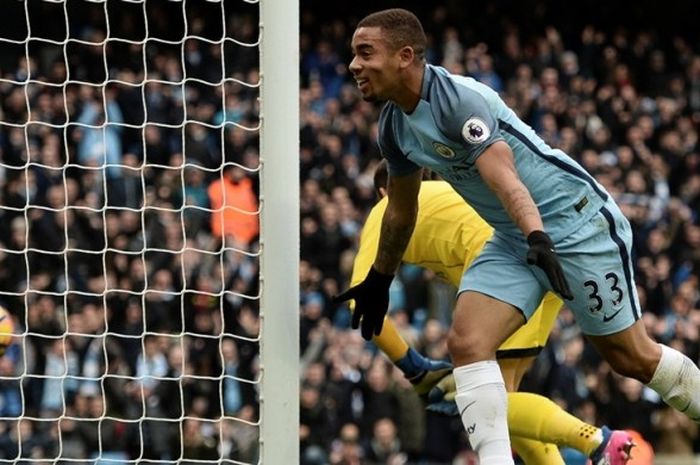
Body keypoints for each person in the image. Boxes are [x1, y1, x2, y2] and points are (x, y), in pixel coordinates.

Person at [335, 8, 700, 465]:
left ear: (405, 56)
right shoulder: (393, 127)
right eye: (353, 55)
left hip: (575, 224)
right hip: (512, 239)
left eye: (365, 53)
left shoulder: (457, 103)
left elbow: (506, 177)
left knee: (631, 358)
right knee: (467, 343)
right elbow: (400, 211)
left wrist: (538, 237)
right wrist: (379, 279)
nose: (353, 66)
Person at [345, 160, 628, 465]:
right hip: (546, 256)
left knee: (481, 399)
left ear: (383, 190)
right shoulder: (450, 194)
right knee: (505, 401)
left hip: (508, 268)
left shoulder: (387, 207)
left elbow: (359, 301)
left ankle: (596, 441)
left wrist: (411, 364)